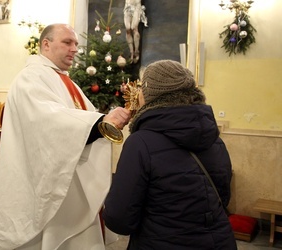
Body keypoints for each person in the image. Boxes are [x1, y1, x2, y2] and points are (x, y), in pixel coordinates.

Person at [0, 23, 131, 249]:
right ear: (46, 44)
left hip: (66, 177)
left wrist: (105, 120)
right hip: (34, 177)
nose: (74, 49)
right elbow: (49, 123)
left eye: (76, 44)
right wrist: (101, 122)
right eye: (67, 42)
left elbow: (82, 117)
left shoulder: (63, 79)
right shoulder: (30, 78)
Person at [102, 60, 237, 249]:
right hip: (217, 242)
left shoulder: (140, 143)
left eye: (141, 86)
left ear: (150, 94)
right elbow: (222, 198)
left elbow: (120, 219)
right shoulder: (214, 138)